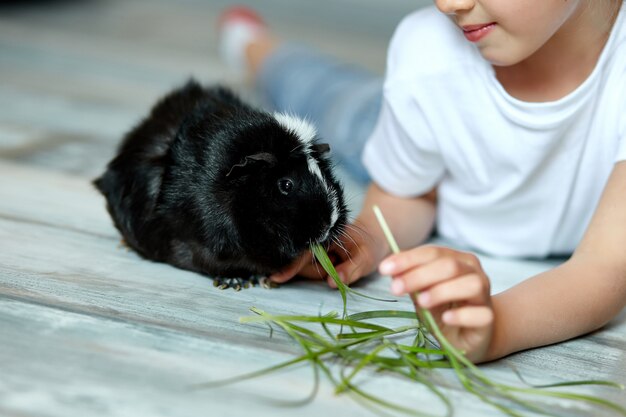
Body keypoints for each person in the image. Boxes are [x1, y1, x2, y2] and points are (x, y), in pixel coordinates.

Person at [217, 1, 626, 363]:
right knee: (329, 96)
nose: (449, 4)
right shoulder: (429, 56)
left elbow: (603, 268)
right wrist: (368, 238)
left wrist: (499, 326)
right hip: (401, 116)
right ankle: (257, 47)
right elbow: (411, 191)